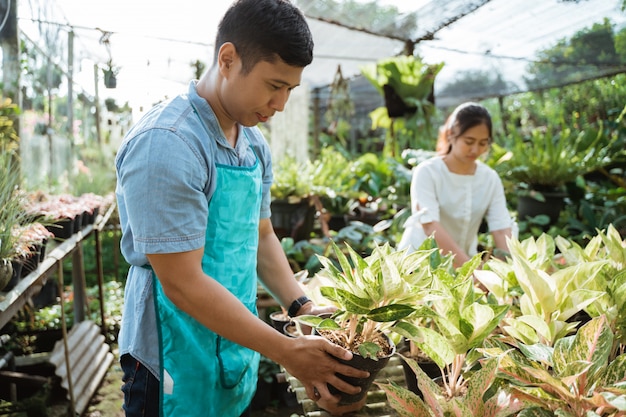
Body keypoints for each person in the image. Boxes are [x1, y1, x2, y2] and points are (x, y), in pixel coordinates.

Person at [114, 1, 369, 416]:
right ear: (228, 60)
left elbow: (262, 234)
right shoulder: (169, 143)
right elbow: (182, 282)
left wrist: (302, 307)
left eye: (290, 89)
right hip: (170, 359)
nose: (282, 103)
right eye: (273, 85)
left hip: (234, 345)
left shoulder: (252, 143)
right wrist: (287, 351)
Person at [398, 102, 515, 268]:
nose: (475, 150)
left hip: (464, 263)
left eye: (483, 143)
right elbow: (430, 226)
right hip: (419, 265)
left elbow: (501, 229)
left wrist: (513, 270)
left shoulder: (490, 178)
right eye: (469, 141)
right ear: (451, 135)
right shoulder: (428, 172)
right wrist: (470, 270)